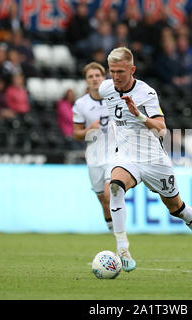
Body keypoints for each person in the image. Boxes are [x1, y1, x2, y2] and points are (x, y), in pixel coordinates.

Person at [98, 47, 192, 273]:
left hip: (153, 158)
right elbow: (96, 99)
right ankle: (123, 249)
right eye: (112, 71)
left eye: (120, 72)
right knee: (114, 187)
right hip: (126, 156)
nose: (115, 76)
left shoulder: (147, 93)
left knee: (176, 207)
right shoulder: (106, 88)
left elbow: (161, 128)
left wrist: (139, 115)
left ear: (132, 69)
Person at [73, 62, 114, 233]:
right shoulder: (80, 104)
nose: (95, 79)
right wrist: (89, 129)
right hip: (94, 156)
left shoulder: (115, 98)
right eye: (91, 76)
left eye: (98, 75)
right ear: (86, 81)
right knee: (103, 201)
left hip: (114, 154)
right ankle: (115, 234)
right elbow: (76, 134)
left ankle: (121, 239)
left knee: (109, 194)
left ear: (104, 78)